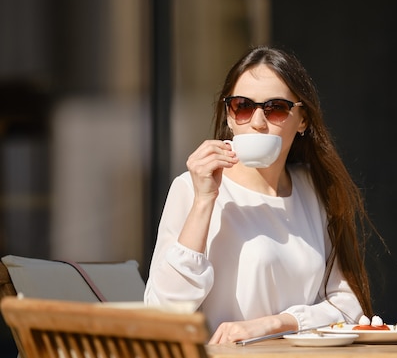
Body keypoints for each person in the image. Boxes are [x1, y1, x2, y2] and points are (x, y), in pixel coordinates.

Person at [144, 45, 376, 344]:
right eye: (242, 106)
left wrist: (274, 324)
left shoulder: (313, 189)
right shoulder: (191, 188)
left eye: (276, 108)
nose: (256, 121)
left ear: (302, 119)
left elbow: (348, 306)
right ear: (228, 116)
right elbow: (162, 315)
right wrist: (204, 200)